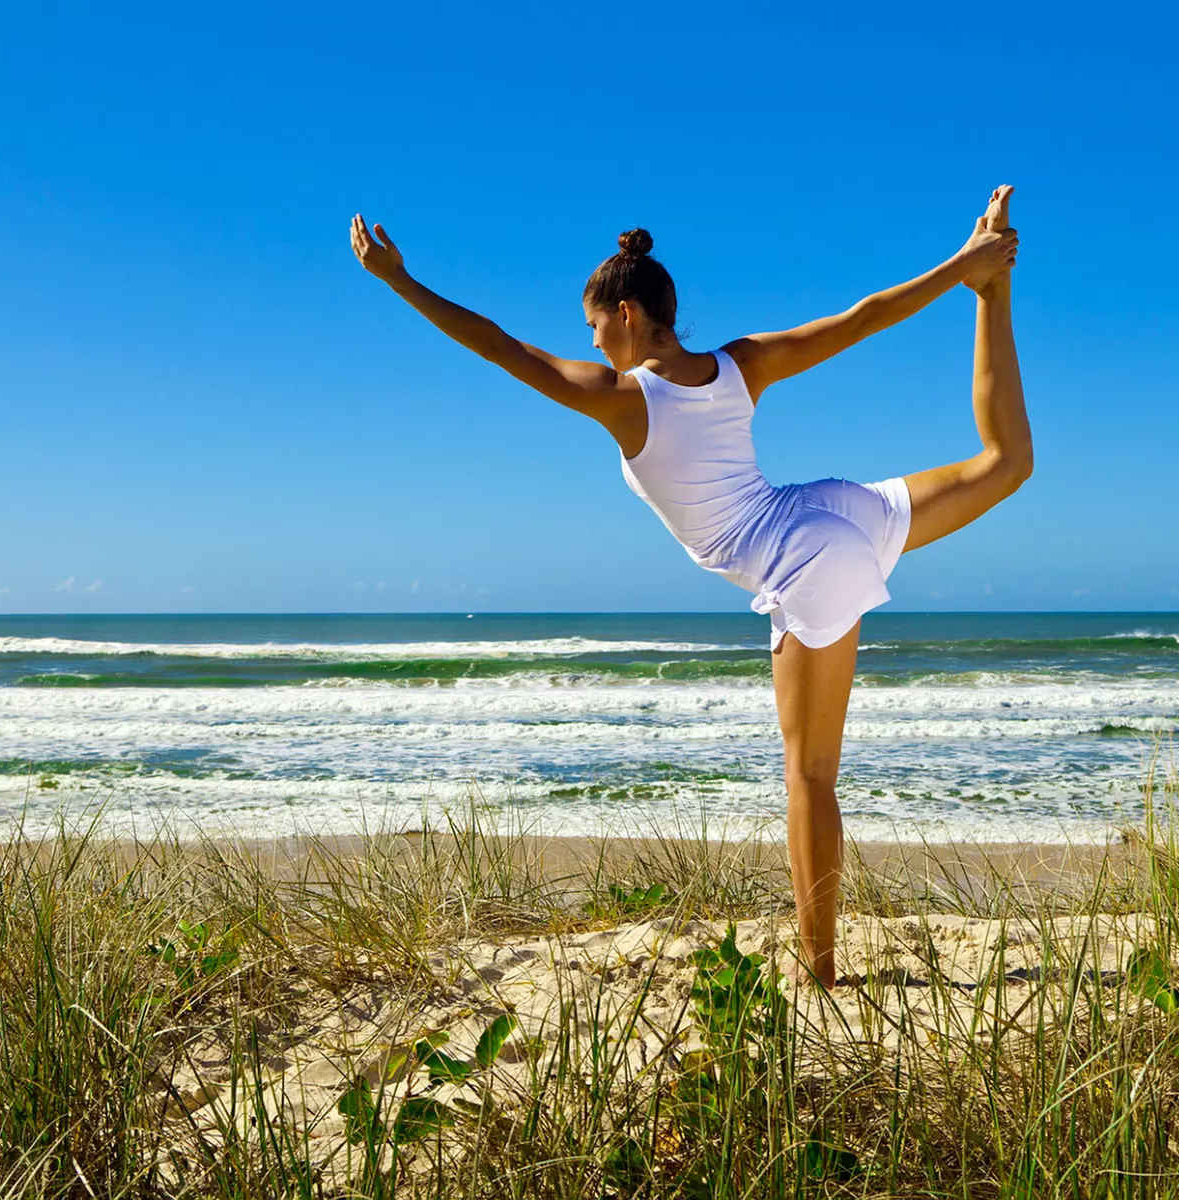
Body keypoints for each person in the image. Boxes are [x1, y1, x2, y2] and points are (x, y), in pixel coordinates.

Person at [349, 187, 1030, 984]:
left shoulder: (624, 399)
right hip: (829, 507)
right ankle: (996, 293)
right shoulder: (739, 365)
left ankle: (821, 975)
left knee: (809, 775)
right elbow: (864, 316)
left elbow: (501, 347)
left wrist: (399, 280)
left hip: (802, 553)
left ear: (628, 314)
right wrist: (964, 269)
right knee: (1004, 464)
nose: (595, 345)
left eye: (595, 327)